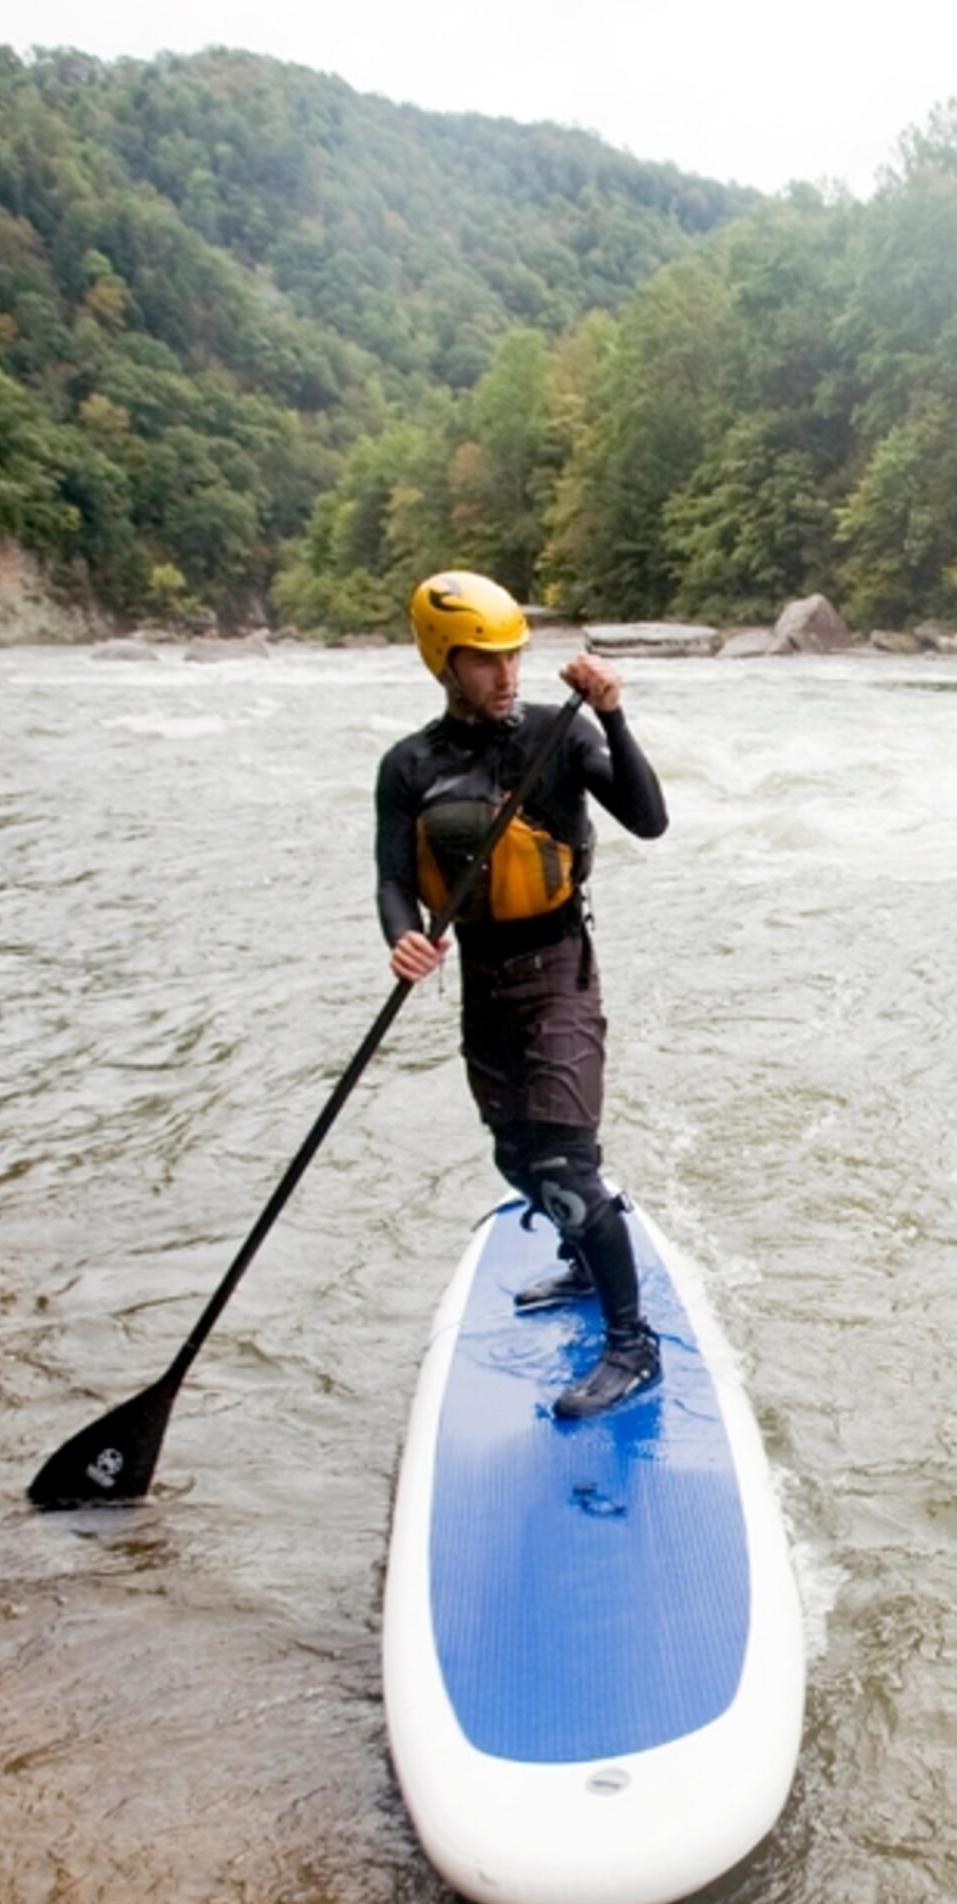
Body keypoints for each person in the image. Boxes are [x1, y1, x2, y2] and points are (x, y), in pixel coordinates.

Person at [377, 570, 669, 1422]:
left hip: (557, 973)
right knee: (515, 1158)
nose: (506, 675)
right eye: (483, 660)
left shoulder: (559, 735)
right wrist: (400, 935)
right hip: (479, 978)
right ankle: (586, 1256)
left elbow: (649, 820)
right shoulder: (410, 765)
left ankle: (632, 1346)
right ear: (444, 662)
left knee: (563, 1164)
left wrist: (613, 714)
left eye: (513, 656)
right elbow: (395, 880)